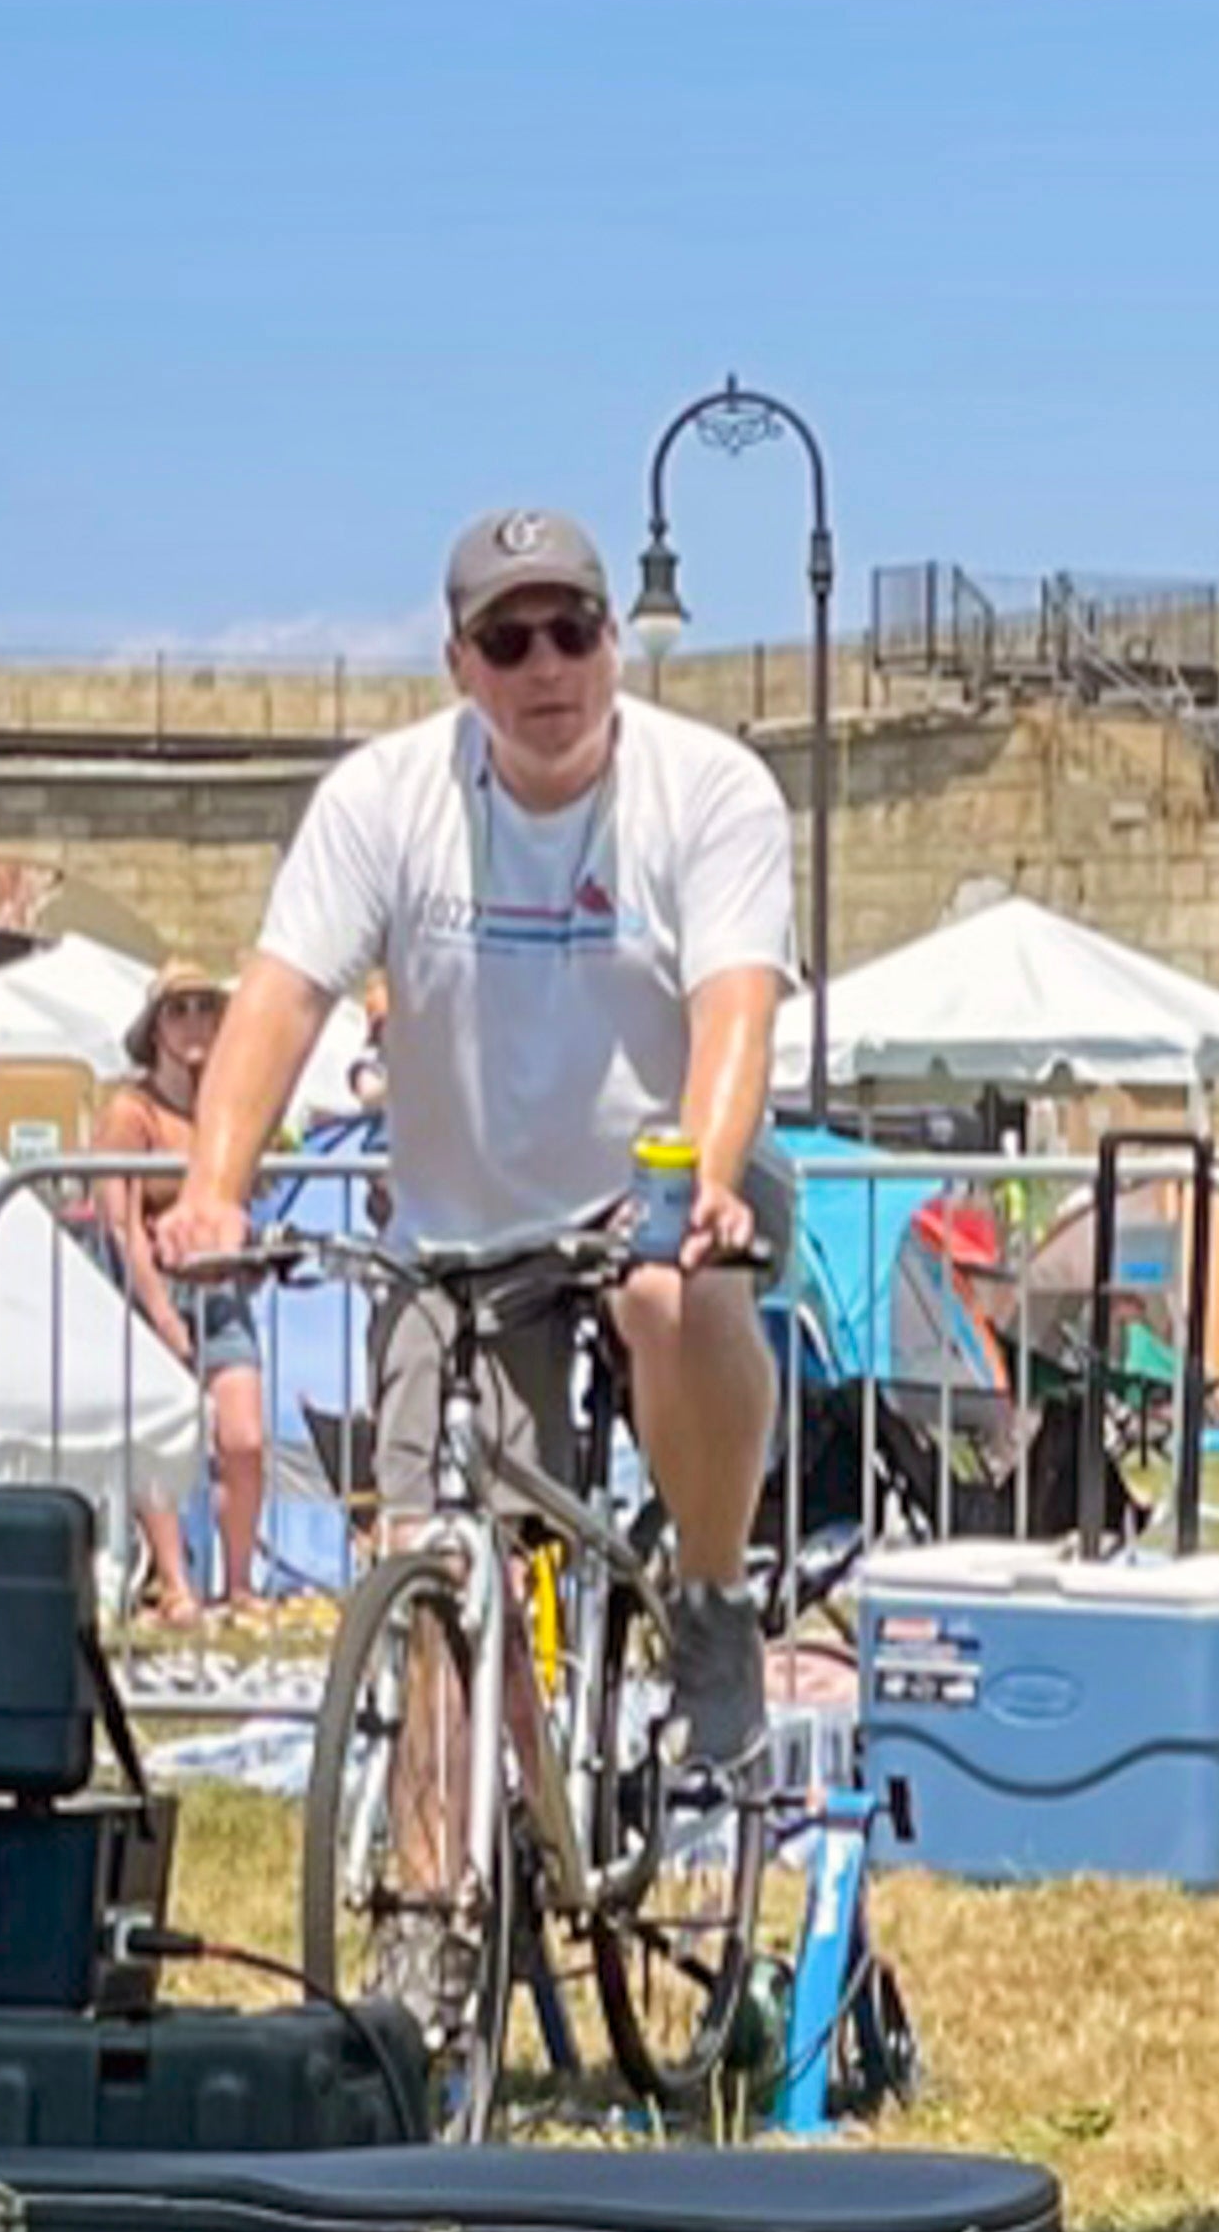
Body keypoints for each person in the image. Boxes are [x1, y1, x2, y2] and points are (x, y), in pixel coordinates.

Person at [164, 508, 803, 1864]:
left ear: (614, 643)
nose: (546, 664)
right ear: (461, 663)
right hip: (464, 1229)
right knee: (440, 1568)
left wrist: (691, 1183)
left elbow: (737, 1007)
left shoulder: (712, 788)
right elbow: (277, 1000)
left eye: (572, 628)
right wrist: (216, 1185)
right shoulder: (384, 799)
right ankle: (434, 1921)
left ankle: (707, 1597)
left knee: (666, 1295)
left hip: (667, 1175)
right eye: (509, 640)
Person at [96, 962, 275, 1625]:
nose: (196, 1020)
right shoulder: (129, 1111)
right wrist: (161, 1311)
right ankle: (175, 1583)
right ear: (155, 1028)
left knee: (244, 1438)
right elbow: (120, 1223)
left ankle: (239, 1582)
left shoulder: (224, 1113)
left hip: (221, 1286)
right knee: (159, 1440)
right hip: (154, 1288)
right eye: (180, 1009)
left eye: (207, 1006)